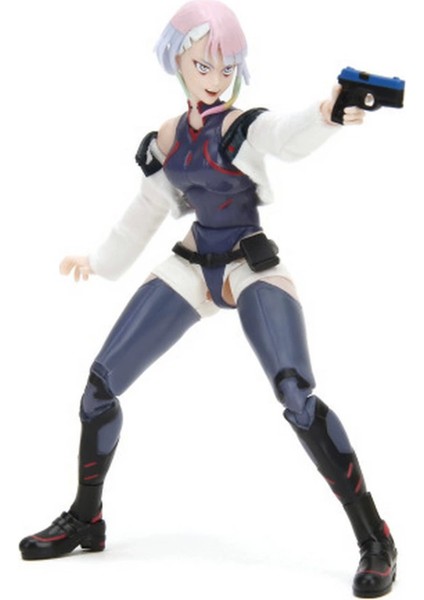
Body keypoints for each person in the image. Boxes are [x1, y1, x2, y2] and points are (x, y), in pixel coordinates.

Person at [19, 1, 397, 596]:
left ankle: (375, 537)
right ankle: (87, 518)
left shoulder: (242, 127)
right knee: (99, 389)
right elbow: (146, 209)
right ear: (178, 63)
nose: (216, 78)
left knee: (296, 395)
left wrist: (326, 114)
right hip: (193, 264)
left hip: (248, 264)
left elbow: (285, 135)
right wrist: (100, 260)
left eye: (226, 67)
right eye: (203, 65)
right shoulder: (167, 140)